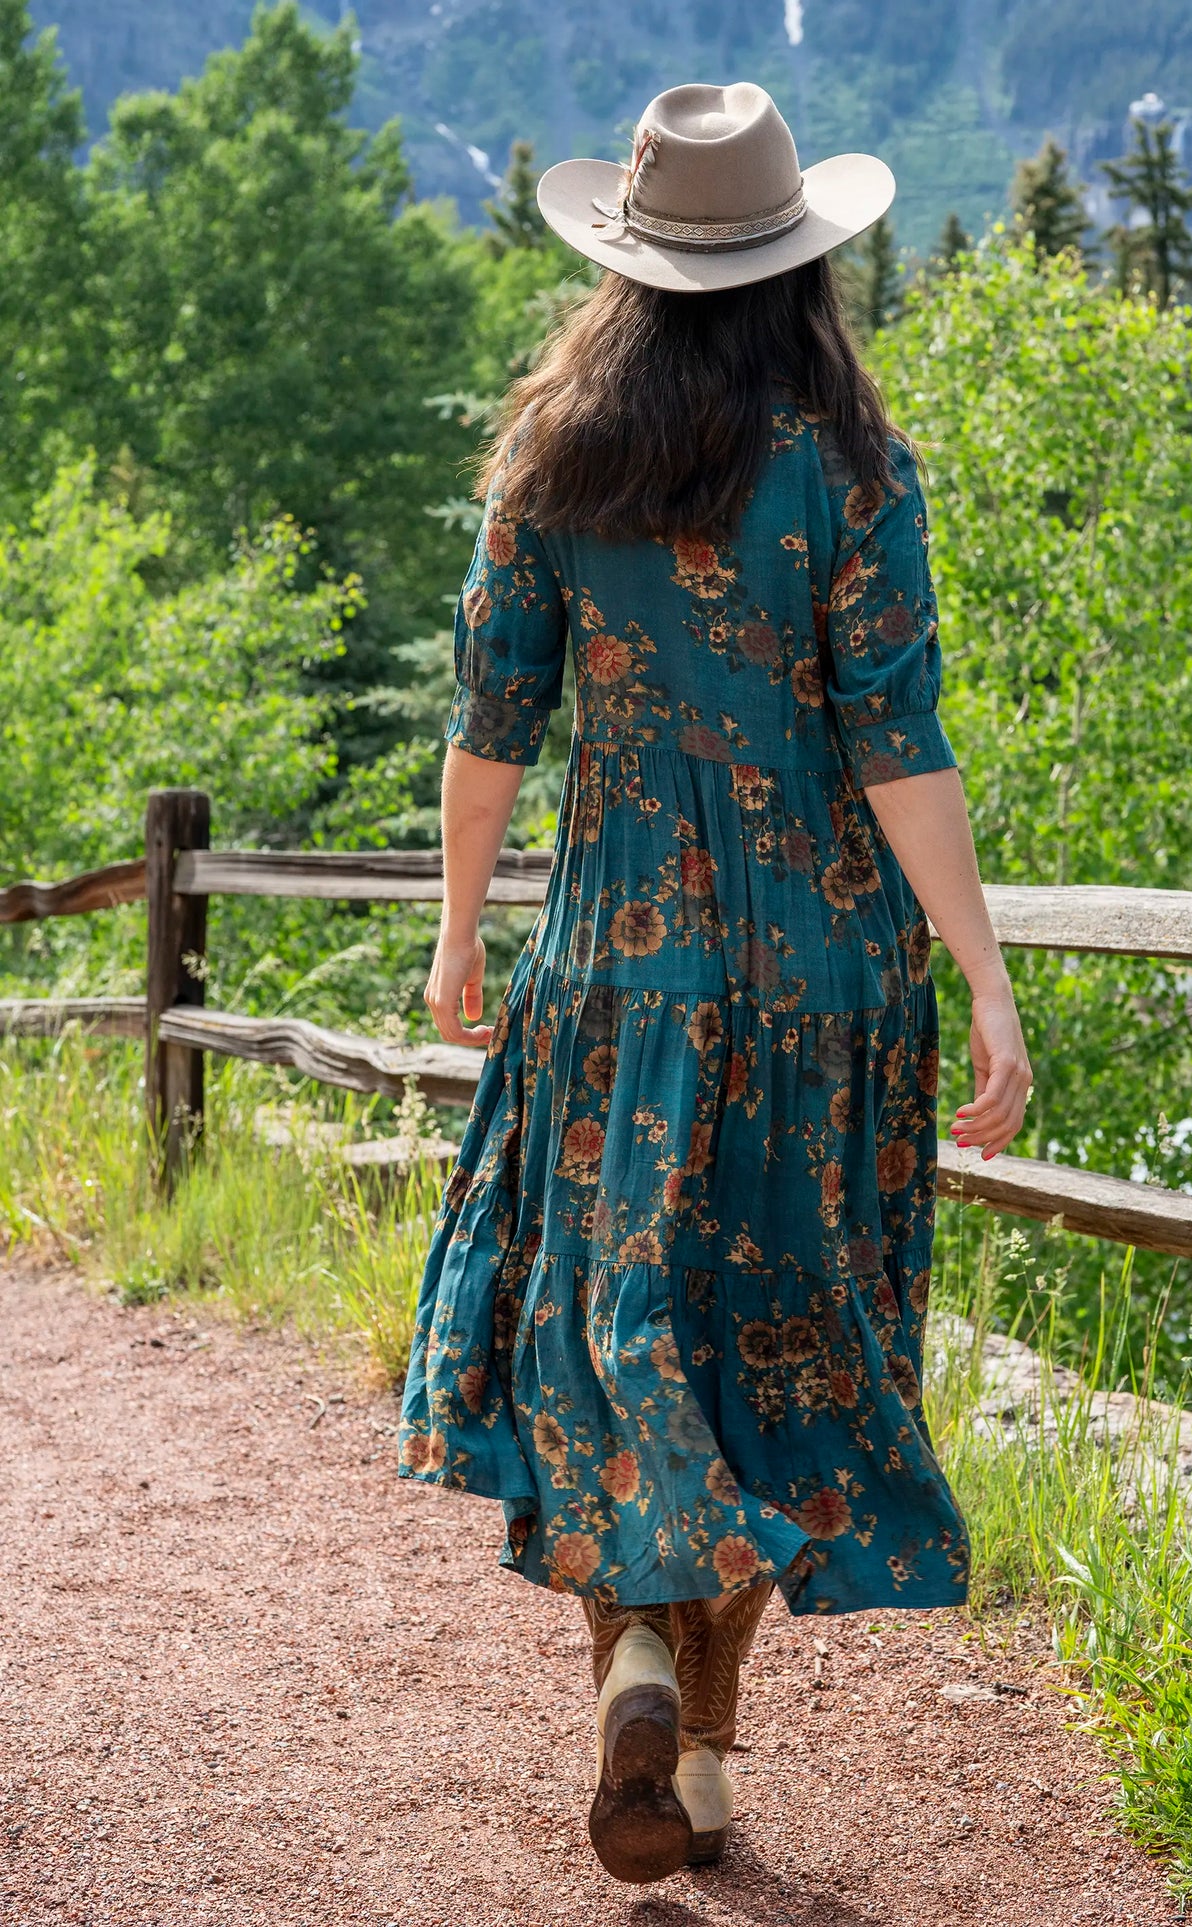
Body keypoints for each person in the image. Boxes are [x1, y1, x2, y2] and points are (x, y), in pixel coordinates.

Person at [397, 81, 1031, 1885]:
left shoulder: (553, 455)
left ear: (626, 264)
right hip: (825, 967)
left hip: (617, 960)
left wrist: (460, 929)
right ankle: (719, 1748)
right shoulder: (844, 464)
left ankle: (645, 1668)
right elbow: (898, 739)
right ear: (796, 266)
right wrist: (982, 979)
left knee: (620, 1333)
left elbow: (488, 721)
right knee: (786, 1339)